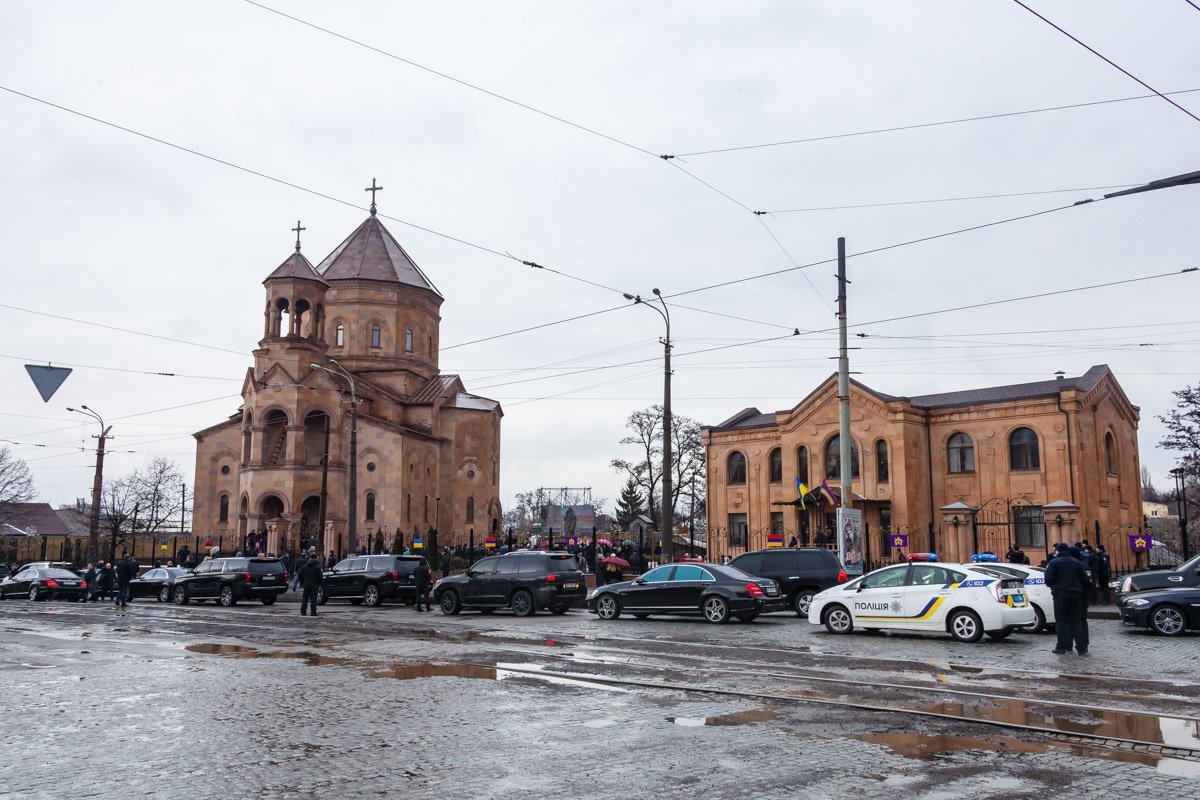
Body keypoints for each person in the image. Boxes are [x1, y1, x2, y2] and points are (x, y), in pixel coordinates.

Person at [1044, 543, 1090, 655]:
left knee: (1061, 621)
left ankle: (1062, 646)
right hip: (1076, 595)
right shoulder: (1077, 563)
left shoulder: (1054, 562)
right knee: (1077, 621)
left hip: (1060, 594)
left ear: (1058, 551)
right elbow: (1085, 581)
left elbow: (1048, 580)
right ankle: (1081, 648)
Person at [298, 548, 323, 617]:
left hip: (306, 585)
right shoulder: (317, 567)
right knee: (313, 599)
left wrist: (302, 582)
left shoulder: (305, 566)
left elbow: (299, 574)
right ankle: (313, 612)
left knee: (305, 599)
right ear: (316, 558)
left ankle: (303, 611)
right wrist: (319, 583)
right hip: (314, 585)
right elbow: (320, 577)